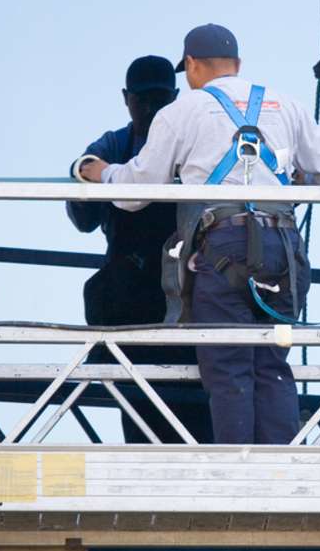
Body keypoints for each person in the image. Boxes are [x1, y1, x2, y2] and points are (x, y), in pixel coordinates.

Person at [80, 24, 320, 444]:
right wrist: (299, 180)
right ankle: (279, 467)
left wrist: (100, 172)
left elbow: (136, 190)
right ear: (238, 65)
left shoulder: (184, 112)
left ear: (191, 66)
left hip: (224, 245)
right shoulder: (284, 104)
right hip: (282, 244)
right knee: (272, 361)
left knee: (228, 363)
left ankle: (238, 472)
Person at [68, 54, 212, 443]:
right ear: (125, 99)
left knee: (198, 418)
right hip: (133, 300)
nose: (150, 109)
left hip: (188, 299)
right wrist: (86, 174)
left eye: (160, 99)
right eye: (142, 100)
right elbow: (81, 213)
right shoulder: (116, 143)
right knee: (140, 417)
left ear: (176, 96)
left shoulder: (195, 144)